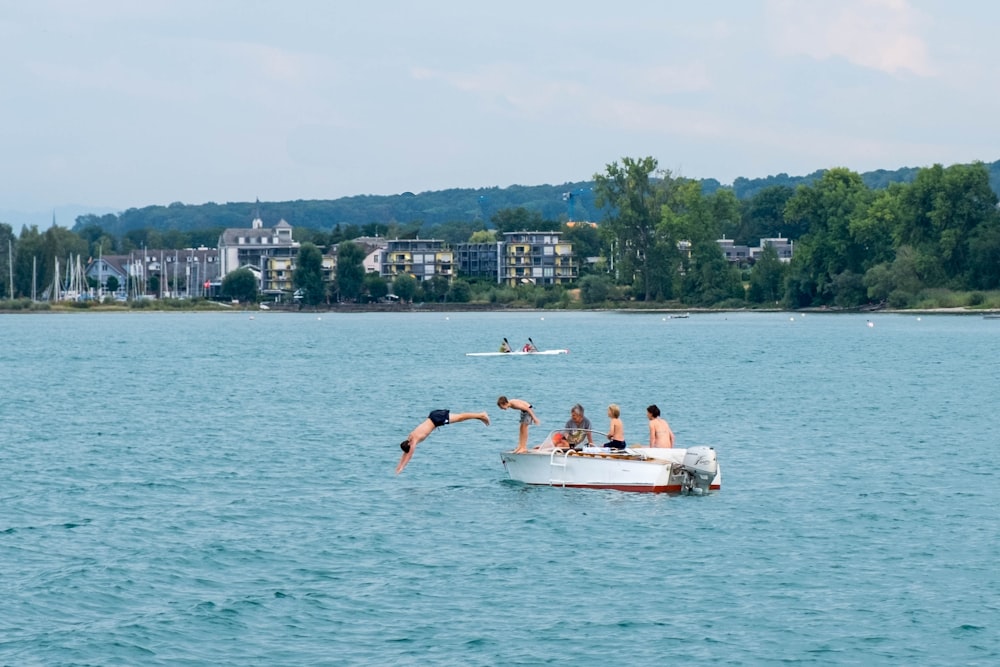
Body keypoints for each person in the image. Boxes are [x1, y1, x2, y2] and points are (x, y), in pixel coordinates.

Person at [396, 409, 490, 474]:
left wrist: (402, 468)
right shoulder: (410, 436)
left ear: (409, 444)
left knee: (460, 418)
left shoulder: (414, 441)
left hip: (437, 419)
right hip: (433, 416)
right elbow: (405, 454)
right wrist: (398, 466)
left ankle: (482, 414)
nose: (412, 447)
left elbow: (409, 455)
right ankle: (481, 417)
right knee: (460, 418)